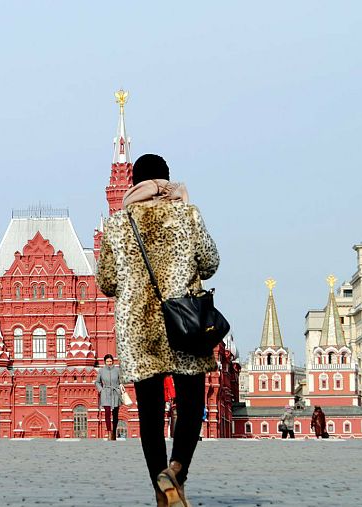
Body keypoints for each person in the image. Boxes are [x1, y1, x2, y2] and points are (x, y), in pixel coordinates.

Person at [97, 154, 219, 507]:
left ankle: (161, 492)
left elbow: (106, 281)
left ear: (134, 182)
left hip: (140, 328)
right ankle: (177, 471)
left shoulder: (118, 224)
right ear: (167, 179)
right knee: (192, 403)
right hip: (185, 322)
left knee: (149, 414)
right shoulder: (187, 214)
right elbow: (210, 263)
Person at [95, 354, 122, 440]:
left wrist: (119, 388)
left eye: (110, 361)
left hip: (115, 393)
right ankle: (109, 432)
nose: (109, 363)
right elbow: (97, 382)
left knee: (115, 414)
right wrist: (101, 390)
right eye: (107, 361)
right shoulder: (101, 371)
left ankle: (114, 432)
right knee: (107, 413)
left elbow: (121, 381)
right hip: (106, 393)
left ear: (113, 361)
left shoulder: (117, 370)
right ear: (105, 362)